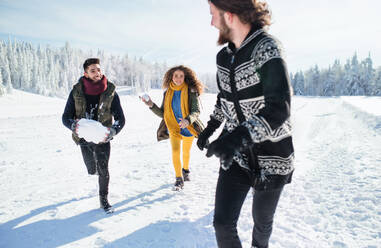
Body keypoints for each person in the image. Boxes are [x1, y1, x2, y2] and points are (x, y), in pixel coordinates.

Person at [197, 1, 295, 247]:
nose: (210, 22)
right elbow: (224, 99)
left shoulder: (266, 48)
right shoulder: (223, 57)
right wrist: (210, 129)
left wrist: (238, 136)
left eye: (213, 15)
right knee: (222, 223)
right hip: (236, 155)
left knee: (261, 222)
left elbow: (279, 107)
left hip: (272, 156)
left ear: (229, 16)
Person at [62, 58, 125, 213]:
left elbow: (121, 119)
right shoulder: (76, 91)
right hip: (83, 138)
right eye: (92, 70)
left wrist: (113, 131)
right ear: (86, 73)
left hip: (103, 138)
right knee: (92, 169)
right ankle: (94, 171)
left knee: (104, 169)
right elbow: (65, 117)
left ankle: (104, 199)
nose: (97, 73)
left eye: (98, 69)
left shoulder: (110, 92)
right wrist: (73, 125)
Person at [141, 65, 205, 191]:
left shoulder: (191, 91)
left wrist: (188, 120)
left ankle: (185, 170)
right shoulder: (167, 92)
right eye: (176, 75)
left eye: (181, 76)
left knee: (186, 152)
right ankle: (178, 179)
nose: (178, 78)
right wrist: (150, 105)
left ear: (185, 77)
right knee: (175, 152)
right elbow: (163, 113)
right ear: (171, 77)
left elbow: (196, 111)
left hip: (188, 127)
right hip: (173, 127)